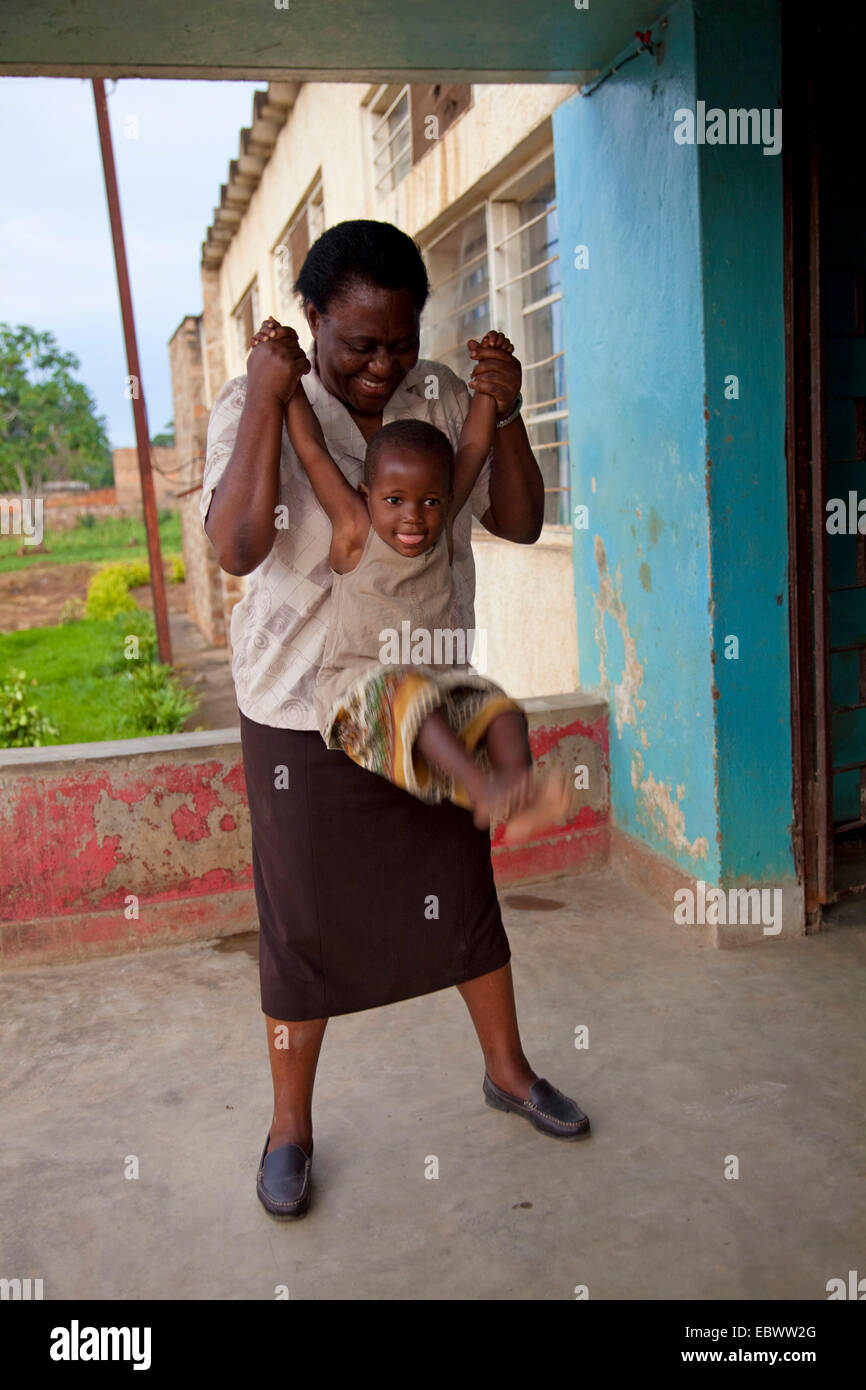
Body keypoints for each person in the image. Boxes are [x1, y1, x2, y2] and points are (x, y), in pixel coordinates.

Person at [202, 219, 591, 1221]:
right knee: (300, 931)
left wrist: (501, 411)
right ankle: (290, 1127)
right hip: (304, 709)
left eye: (398, 342)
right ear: (311, 322)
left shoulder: (438, 398)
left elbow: (514, 520)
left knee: (461, 894)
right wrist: (268, 395)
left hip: (430, 687)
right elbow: (238, 546)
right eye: (356, 345)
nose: (380, 367)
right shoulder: (263, 400)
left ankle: (507, 1071)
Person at [284, 329, 571, 842]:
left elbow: (477, 443)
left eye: (431, 502)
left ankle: (518, 791)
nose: (413, 517)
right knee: (409, 692)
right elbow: (310, 448)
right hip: (361, 696)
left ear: (444, 499)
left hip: (436, 690)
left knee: (500, 709)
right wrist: (286, 386)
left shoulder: (438, 525)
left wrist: (491, 387)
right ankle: (480, 791)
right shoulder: (355, 530)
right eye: (394, 501)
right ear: (366, 495)